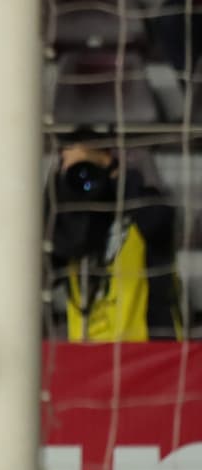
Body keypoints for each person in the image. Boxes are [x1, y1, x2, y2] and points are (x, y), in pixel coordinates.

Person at [48, 127, 182, 341]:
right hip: (88, 359)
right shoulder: (67, 223)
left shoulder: (143, 204)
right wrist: (59, 186)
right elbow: (44, 269)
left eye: (89, 167)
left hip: (150, 354)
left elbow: (158, 222)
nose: (83, 175)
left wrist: (111, 169)